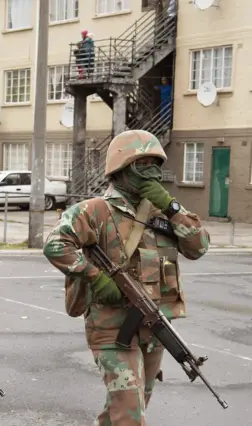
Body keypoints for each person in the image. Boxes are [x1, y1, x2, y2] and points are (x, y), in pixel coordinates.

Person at [43, 129, 210, 425]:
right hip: (110, 327)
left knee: (130, 407)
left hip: (154, 325)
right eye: (141, 163)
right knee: (130, 413)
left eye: (154, 163)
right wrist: (95, 277)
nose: (150, 171)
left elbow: (199, 247)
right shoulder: (95, 211)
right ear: (121, 168)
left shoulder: (164, 211)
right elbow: (55, 244)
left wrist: (171, 207)